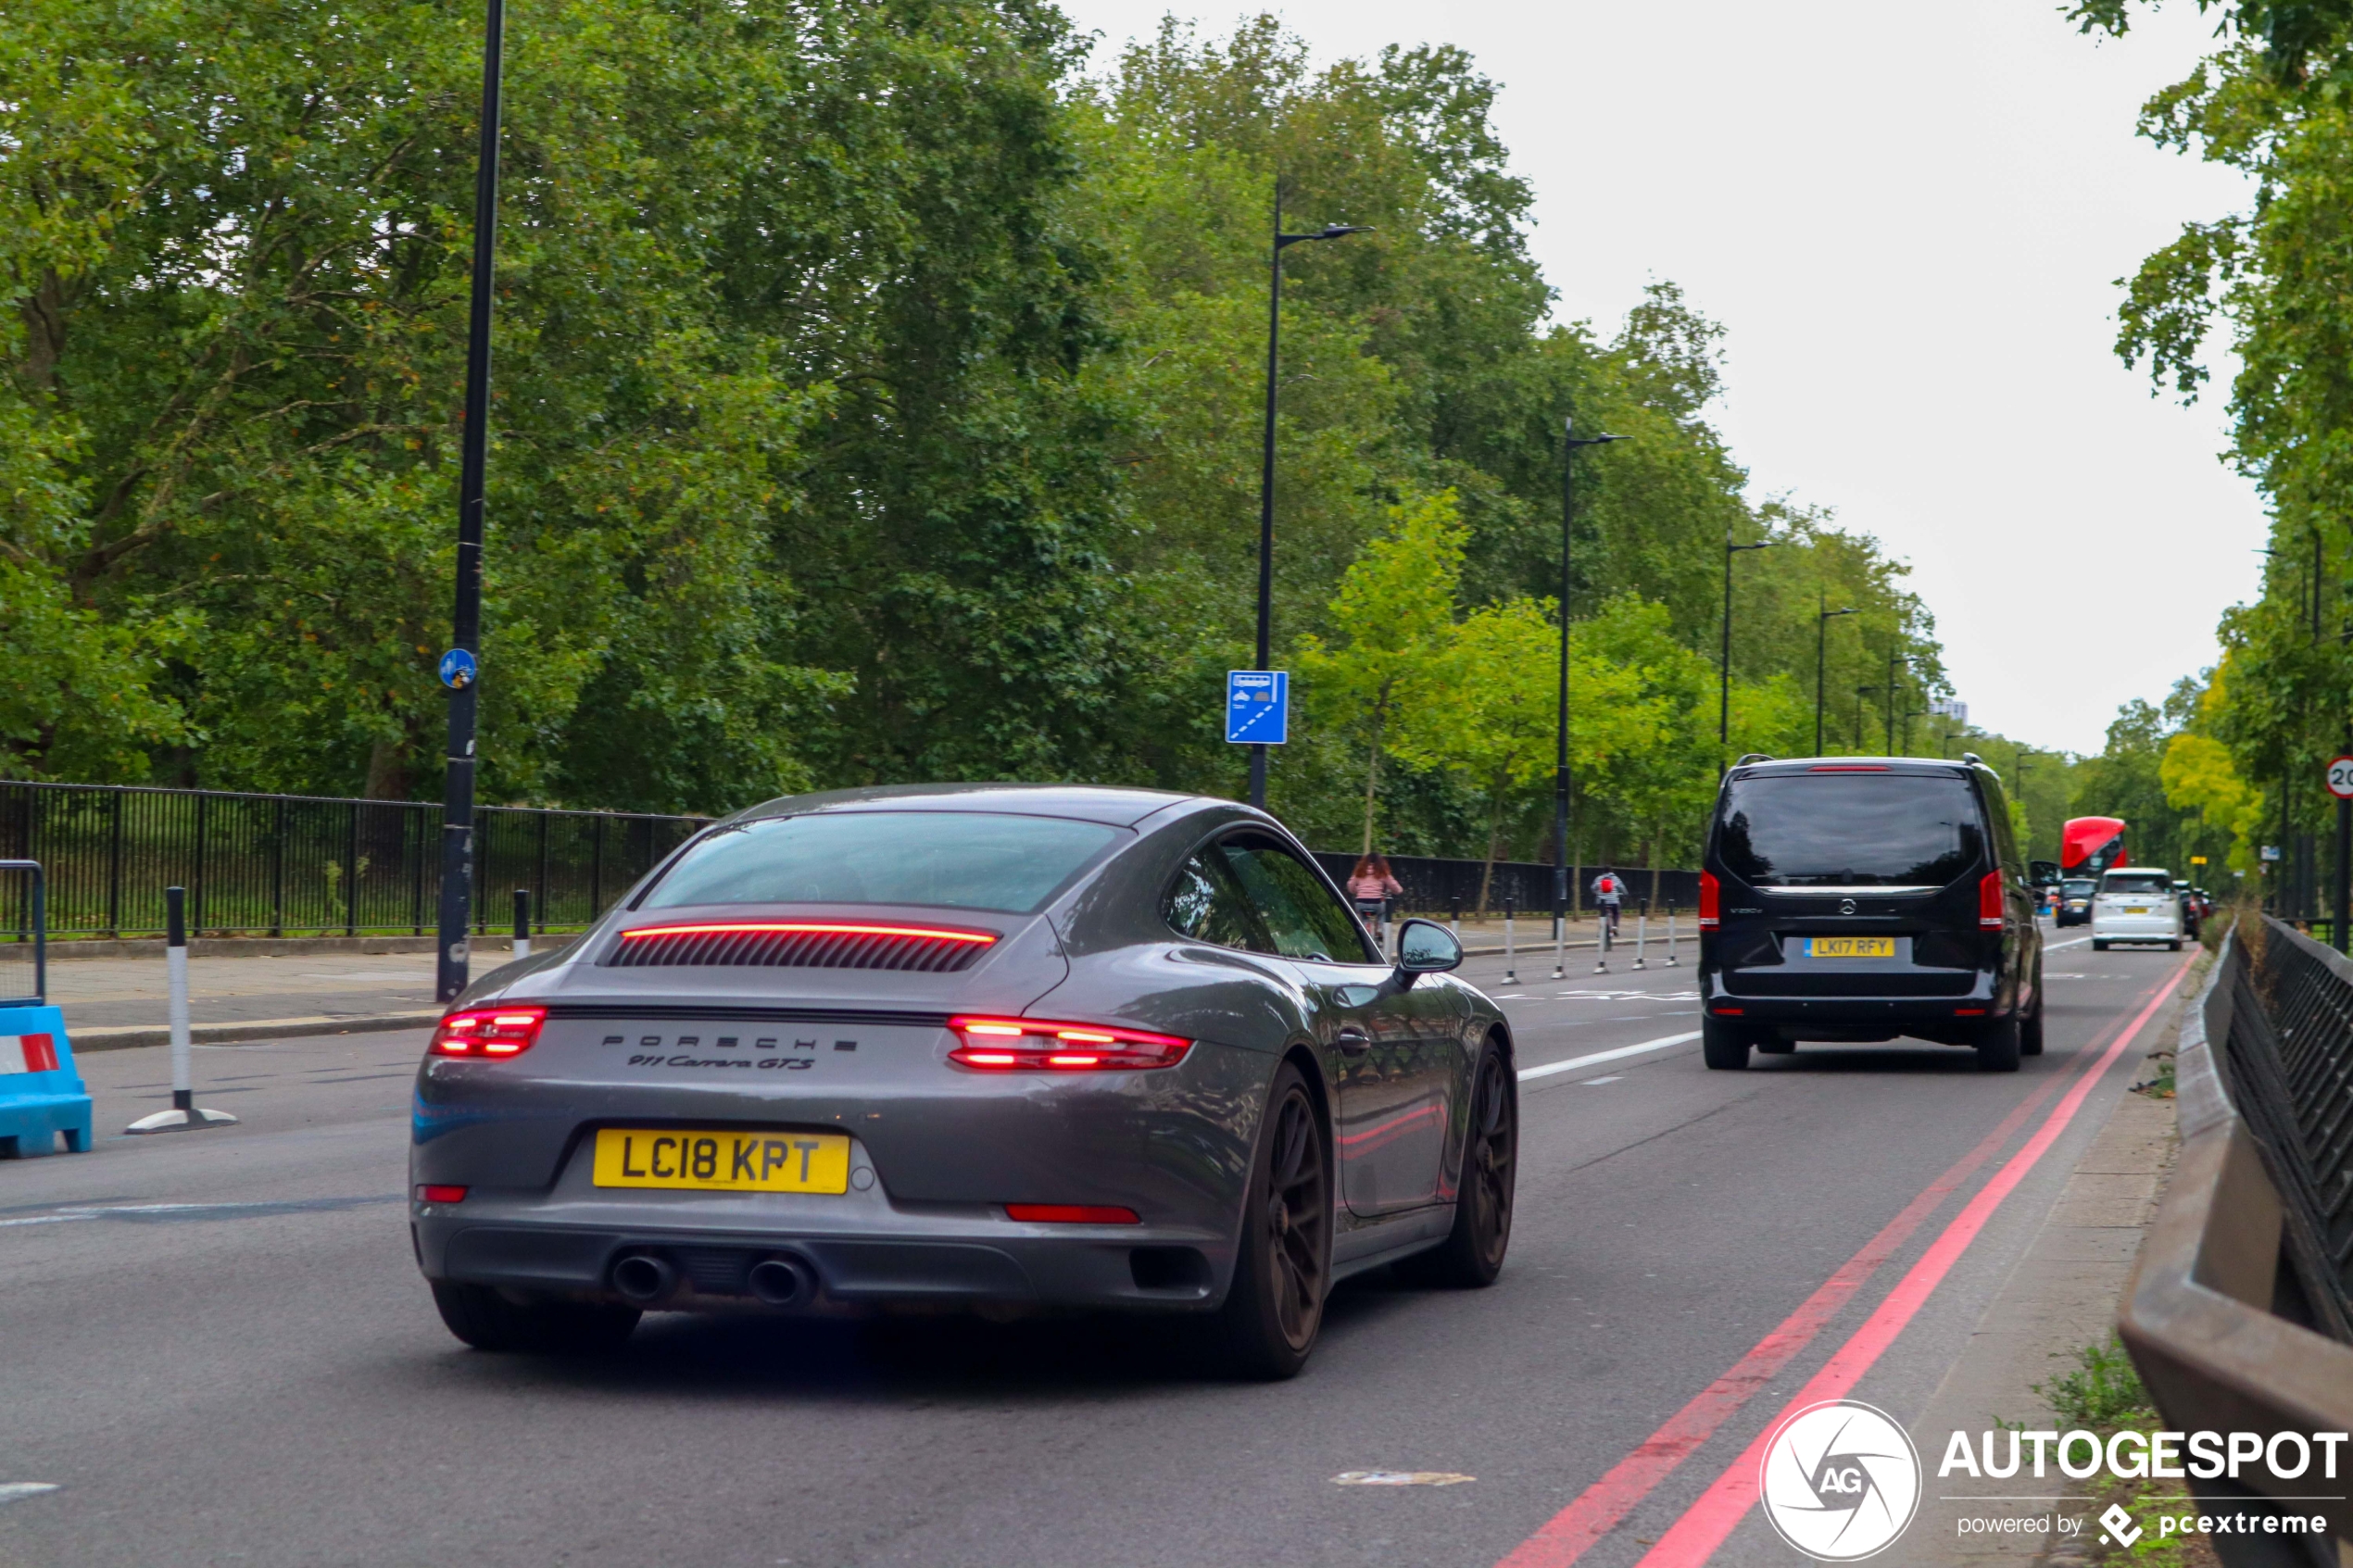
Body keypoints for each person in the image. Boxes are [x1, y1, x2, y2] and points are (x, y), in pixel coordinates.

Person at [1347, 854, 1404, 928]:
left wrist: (1356, 891)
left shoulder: (1359, 872)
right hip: (1376, 902)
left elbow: (1350, 885)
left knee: (1362, 917)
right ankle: (1380, 929)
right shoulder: (1382, 872)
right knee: (1382, 913)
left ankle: (1365, 928)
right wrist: (1399, 890)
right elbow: (1394, 885)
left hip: (1360, 902)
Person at [1591, 868, 1626, 935]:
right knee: (1616, 913)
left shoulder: (1599, 878)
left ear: (1603, 872)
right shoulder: (1615, 878)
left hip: (1601, 901)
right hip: (1613, 901)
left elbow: (1592, 888)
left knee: (1602, 915)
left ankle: (1600, 931)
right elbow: (1622, 887)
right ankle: (1615, 926)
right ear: (1611, 871)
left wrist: (1596, 893)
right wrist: (1625, 894)